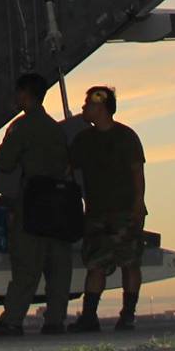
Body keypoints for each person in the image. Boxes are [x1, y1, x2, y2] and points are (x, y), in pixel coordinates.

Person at [0, 72, 72, 337]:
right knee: (58, 266)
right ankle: (55, 321)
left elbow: (6, 164)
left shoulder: (22, 126)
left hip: (32, 200)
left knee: (26, 264)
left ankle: (12, 319)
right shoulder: (55, 128)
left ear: (24, 95)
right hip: (59, 201)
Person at [67, 84, 145, 332]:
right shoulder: (83, 140)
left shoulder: (126, 137)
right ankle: (89, 317)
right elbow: (68, 171)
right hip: (96, 214)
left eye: (88, 104)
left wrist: (137, 207)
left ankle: (128, 315)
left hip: (124, 212)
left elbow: (137, 174)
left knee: (129, 262)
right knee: (96, 265)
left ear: (100, 107)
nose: (83, 108)